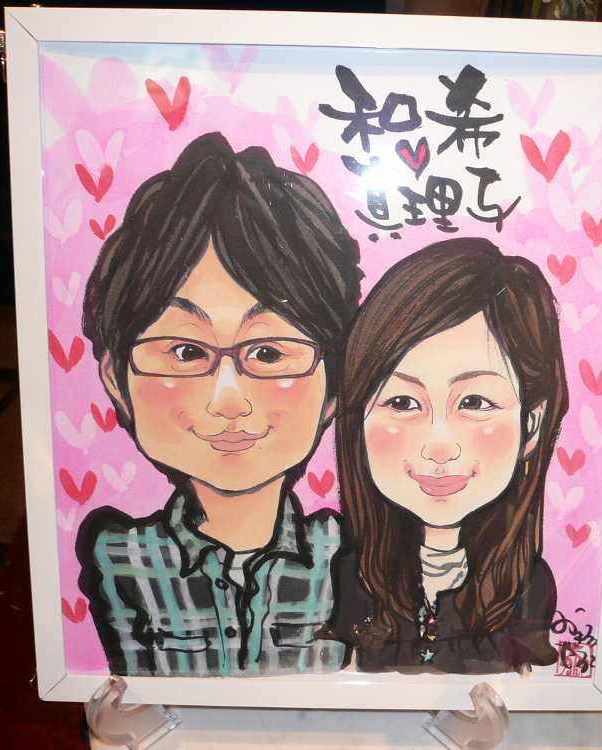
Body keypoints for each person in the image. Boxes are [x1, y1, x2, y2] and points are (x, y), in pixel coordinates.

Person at [76, 132, 361, 677]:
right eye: (185, 351)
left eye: (269, 352)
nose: (229, 401)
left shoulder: (355, 555)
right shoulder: (116, 557)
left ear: (336, 384)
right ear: (115, 376)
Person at [325, 238, 567, 673]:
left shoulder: (530, 587)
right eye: (402, 403)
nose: (438, 446)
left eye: (474, 402)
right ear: (358, 418)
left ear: (531, 425)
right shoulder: (346, 577)